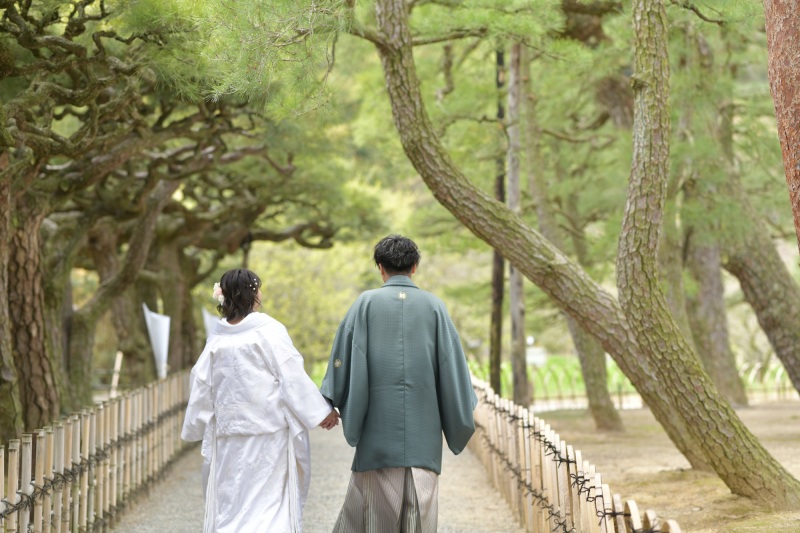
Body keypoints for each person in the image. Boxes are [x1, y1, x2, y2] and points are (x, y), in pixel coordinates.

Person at [321, 235, 477, 532]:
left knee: (372, 521)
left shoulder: (365, 304)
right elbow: (453, 368)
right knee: (421, 519)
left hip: (376, 438)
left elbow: (342, 359)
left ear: (380, 267)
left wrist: (330, 402)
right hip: (423, 440)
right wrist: (459, 414)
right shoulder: (434, 307)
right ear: (415, 267)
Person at [182, 268, 339, 533]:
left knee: (232, 499)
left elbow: (201, 382)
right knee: (268, 502)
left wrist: (196, 423)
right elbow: (291, 375)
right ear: (252, 293)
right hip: (268, 432)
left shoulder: (218, 338)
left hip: (229, 433)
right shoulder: (268, 330)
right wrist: (321, 412)